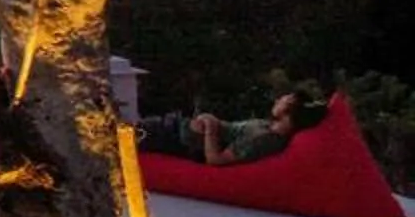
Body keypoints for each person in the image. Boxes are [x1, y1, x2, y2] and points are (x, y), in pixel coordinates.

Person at [136, 91, 327, 167]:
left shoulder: (265, 139)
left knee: (122, 136)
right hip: (178, 127)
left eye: (283, 99)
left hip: (178, 139)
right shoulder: (266, 125)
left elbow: (216, 160)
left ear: (290, 108)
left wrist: (211, 125)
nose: (277, 100)